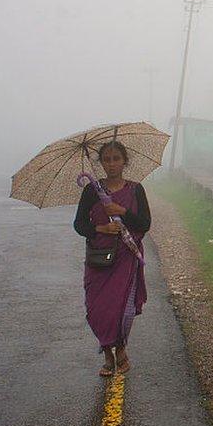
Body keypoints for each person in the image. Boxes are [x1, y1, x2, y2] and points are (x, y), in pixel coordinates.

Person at [73, 141, 151, 376]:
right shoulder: (91, 191)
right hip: (99, 259)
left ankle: (121, 352)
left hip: (126, 258)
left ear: (124, 161)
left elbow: (145, 224)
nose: (111, 163)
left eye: (116, 158)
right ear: (101, 163)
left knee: (122, 309)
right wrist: (101, 229)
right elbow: (79, 225)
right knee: (98, 309)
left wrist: (122, 212)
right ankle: (108, 354)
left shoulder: (136, 190)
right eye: (106, 159)